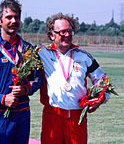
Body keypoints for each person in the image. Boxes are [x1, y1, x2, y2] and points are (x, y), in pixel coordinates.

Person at [38, 12, 110, 144]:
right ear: (51, 35)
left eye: (70, 31)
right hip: (52, 116)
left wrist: (99, 100)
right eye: (62, 32)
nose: (67, 35)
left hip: (77, 118)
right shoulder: (41, 54)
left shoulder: (83, 56)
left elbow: (103, 81)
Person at [0, 0, 41, 144]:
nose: (13, 21)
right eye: (9, 17)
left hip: (23, 113)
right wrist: (2, 98)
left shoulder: (28, 49)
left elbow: (37, 79)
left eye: (16, 17)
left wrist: (25, 90)